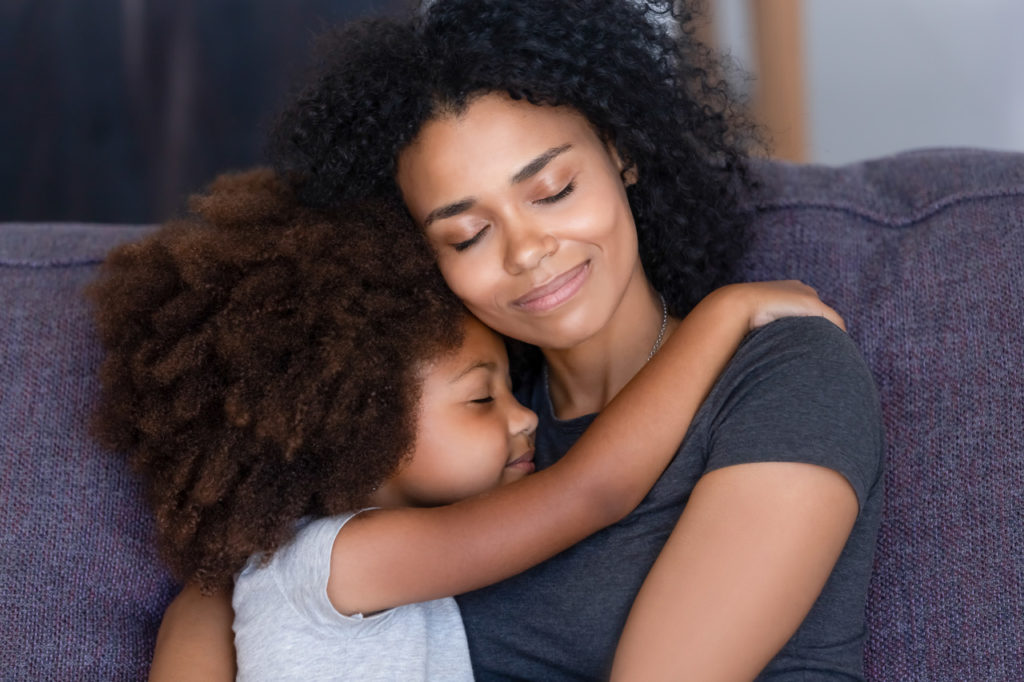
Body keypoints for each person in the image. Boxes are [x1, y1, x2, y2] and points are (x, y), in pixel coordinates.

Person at [154, 0, 884, 679]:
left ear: (621, 152)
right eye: (468, 234)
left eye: (554, 190)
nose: (527, 250)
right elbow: (235, 585)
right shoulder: (467, 421)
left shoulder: (785, 373)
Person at [91, 168, 842, 680]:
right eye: (482, 399)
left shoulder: (280, 572)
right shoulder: (346, 560)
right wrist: (722, 314)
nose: (524, 419)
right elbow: (591, 493)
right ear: (363, 430)